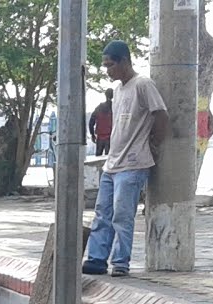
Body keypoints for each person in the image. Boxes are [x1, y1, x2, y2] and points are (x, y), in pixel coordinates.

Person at [83, 40, 167, 278]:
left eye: (110, 65)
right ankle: (97, 259)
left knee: (122, 214)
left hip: (134, 163)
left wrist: (154, 144)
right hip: (113, 162)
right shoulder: (118, 91)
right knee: (102, 212)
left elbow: (160, 116)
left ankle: (121, 262)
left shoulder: (143, 85)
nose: (107, 70)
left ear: (124, 61)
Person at [89, 88, 114, 157]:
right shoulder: (114, 107)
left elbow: (91, 122)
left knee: (97, 158)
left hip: (100, 137)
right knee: (109, 159)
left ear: (105, 95)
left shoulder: (99, 108)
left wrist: (92, 134)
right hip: (111, 137)